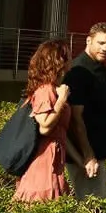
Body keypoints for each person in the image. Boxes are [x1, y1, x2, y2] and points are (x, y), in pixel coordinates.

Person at [12, 39, 85, 202]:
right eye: (68, 56)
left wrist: (80, 161)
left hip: (54, 160)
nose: (71, 60)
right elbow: (44, 127)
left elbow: (60, 133)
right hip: (42, 162)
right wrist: (62, 100)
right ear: (60, 61)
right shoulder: (46, 90)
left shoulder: (53, 89)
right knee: (42, 206)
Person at [64, 23, 106, 199]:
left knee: (98, 204)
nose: (105, 48)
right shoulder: (78, 71)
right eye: (101, 43)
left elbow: (103, 116)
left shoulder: (102, 69)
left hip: (97, 154)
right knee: (92, 208)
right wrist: (87, 155)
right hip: (82, 158)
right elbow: (75, 119)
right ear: (88, 41)